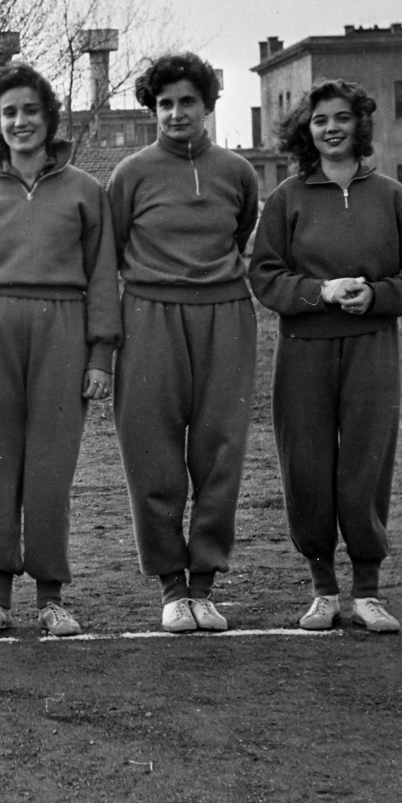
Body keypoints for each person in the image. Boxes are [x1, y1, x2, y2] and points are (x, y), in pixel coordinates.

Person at [0, 63, 120, 638]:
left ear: (49, 117)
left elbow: (103, 276)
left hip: (62, 328)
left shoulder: (85, 190)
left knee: (50, 469)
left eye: (31, 110)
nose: (20, 122)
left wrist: (100, 355)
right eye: (8, 112)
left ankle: (51, 596)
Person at [249, 78, 402, 633]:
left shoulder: (392, 197)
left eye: (341, 117)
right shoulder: (287, 198)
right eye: (319, 121)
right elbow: (265, 275)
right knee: (306, 467)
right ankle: (324, 591)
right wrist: (321, 292)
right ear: (305, 131)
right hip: (303, 350)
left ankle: (368, 593)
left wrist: (376, 296)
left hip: (371, 348)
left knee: (366, 462)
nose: (331, 128)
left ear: (360, 124)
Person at [108, 52, 260, 633]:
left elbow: (241, 232)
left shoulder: (237, 172)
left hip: (224, 315)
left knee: (221, 450)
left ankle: (204, 585)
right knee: (152, 450)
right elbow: (112, 248)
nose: (176, 113)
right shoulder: (131, 174)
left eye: (187, 102)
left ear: (207, 105)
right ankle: (172, 587)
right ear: (153, 109)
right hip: (149, 316)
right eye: (165, 103)